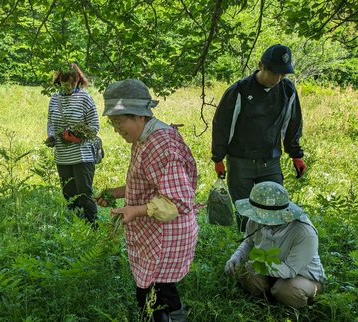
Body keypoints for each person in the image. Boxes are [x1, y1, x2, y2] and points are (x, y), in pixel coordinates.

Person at [94, 79, 200, 322]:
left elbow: (176, 202)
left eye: (119, 123)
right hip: (155, 232)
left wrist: (135, 210)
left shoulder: (161, 145)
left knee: (153, 295)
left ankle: (172, 317)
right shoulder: (144, 138)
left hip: (166, 236)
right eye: (112, 124)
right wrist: (115, 192)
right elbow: (148, 183)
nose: (117, 129)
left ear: (140, 116)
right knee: (156, 289)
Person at [211, 44, 306, 232]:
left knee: (276, 211)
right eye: (273, 73)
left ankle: (272, 254)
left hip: (270, 161)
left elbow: (292, 122)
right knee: (245, 215)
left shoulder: (287, 90)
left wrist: (295, 154)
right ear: (261, 65)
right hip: (240, 162)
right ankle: (247, 253)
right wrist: (218, 158)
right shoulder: (239, 90)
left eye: (282, 75)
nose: (277, 79)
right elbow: (222, 126)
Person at [225, 181, 326, 309]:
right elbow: (248, 242)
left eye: (265, 216)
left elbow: (290, 269)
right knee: (247, 276)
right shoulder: (256, 219)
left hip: (302, 275)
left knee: (288, 290)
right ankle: (271, 296)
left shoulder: (304, 233)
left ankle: (288, 298)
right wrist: (236, 257)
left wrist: (262, 267)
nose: (259, 220)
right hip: (271, 268)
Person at [45, 62, 100, 226]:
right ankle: (79, 227)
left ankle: (93, 227)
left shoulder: (85, 98)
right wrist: (51, 136)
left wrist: (78, 137)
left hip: (83, 156)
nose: (69, 86)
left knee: (84, 194)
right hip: (62, 156)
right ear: (59, 80)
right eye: (65, 82)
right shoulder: (54, 98)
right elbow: (50, 121)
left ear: (78, 81)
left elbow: (94, 126)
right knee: (69, 193)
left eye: (73, 83)